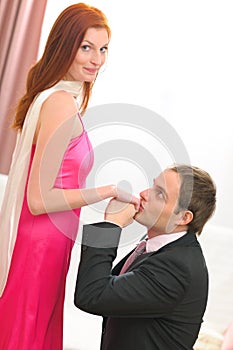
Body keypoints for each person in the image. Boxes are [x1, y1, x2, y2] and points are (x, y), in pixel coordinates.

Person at [0, 3, 139, 350]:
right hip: (40, 242)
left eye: (103, 48)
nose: (96, 59)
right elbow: (38, 199)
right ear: (65, 46)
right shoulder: (60, 102)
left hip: (50, 239)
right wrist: (105, 190)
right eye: (86, 47)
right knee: (26, 330)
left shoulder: (65, 99)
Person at [74, 164, 217, 350]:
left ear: (183, 218)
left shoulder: (177, 267)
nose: (144, 194)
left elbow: (92, 295)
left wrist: (111, 224)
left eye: (160, 194)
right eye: (153, 186)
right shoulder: (156, 246)